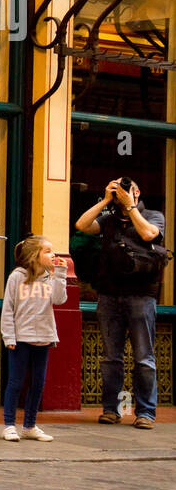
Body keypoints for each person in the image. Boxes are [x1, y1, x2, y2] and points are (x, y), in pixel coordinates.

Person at [74, 177, 166, 429]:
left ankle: (145, 412)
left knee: (143, 358)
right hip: (109, 295)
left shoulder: (153, 216)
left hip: (142, 297)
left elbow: (149, 234)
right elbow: (82, 225)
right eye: (119, 191)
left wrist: (131, 207)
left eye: (127, 190)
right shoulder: (109, 220)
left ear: (138, 192)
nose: (123, 194)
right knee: (111, 358)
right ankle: (110, 410)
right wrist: (105, 200)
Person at [0, 235, 68, 442]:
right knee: (16, 382)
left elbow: (59, 299)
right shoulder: (16, 277)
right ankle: (9, 425)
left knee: (38, 383)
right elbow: (8, 309)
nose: (53, 254)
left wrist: (60, 274)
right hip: (20, 338)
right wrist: (8, 336)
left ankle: (29, 425)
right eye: (47, 251)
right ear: (33, 256)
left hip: (44, 337)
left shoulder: (50, 276)